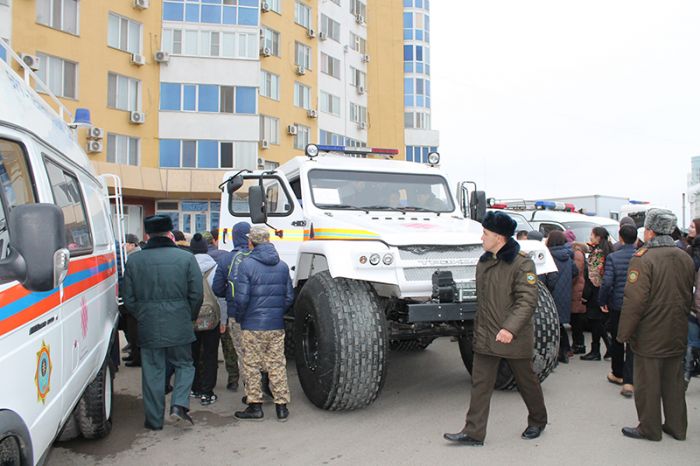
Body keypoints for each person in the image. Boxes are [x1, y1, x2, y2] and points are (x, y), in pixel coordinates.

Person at [444, 211, 547, 446]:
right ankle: (473, 432)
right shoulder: (484, 262)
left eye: (485, 233)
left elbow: (527, 300)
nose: (482, 238)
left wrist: (509, 329)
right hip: (486, 335)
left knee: (526, 381)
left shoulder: (522, 263)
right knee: (480, 383)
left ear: (499, 237)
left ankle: (538, 421)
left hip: (512, 336)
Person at [617, 209, 695, 441]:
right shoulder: (685, 257)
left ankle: (649, 428)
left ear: (650, 231)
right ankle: (677, 427)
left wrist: (623, 334)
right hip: (678, 329)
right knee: (673, 383)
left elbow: (634, 302)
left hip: (650, 333)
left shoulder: (643, 259)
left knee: (648, 383)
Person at [122, 215, 204, 430]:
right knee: (185, 365)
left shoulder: (134, 260)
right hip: (179, 321)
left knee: (152, 371)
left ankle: (154, 420)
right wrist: (189, 316)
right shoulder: (186, 258)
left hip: (148, 324)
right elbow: (197, 294)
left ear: (147, 235)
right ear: (170, 233)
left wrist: (143, 314)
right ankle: (178, 405)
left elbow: (128, 298)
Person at [233, 226, 295, 422]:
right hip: (276, 324)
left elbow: (241, 299)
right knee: (277, 363)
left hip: (253, 324)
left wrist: (242, 317)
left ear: (251, 242)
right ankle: (282, 407)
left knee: (251, 365)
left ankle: (255, 406)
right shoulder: (283, 265)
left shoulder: (246, 265)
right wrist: (276, 312)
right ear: (268, 241)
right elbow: (288, 297)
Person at [599, 224, 638, 397]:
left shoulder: (614, 257)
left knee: (617, 339)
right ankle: (630, 379)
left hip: (617, 305)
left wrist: (602, 300)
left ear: (621, 238)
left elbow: (607, 282)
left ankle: (618, 373)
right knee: (633, 341)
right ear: (636, 238)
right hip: (637, 305)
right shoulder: (641, 256)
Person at [213, 222, 251, 392]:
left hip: (235, 313)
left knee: (241, 352)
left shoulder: (226, 259)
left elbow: (217, 289)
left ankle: (250, 392)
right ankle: (265, 388)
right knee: (260, 352)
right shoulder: (259, 257)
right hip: (260, 315)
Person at [189, 233, 222, 406]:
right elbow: (220, 294)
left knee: (193, 354)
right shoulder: (215, 267)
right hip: (212, 319)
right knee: (210, 355)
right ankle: (207, 392)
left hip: (191, 318)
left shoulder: (185, 266)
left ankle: (194, 388)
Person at [541, 231, 577, 363]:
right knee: (559, 323)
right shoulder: (568, 256)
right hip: (565, 293)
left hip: (552, 294)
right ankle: (565, 350)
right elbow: (575, 271)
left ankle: (559, 353)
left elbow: (550, 279)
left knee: (553, 325)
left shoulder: (548, 256)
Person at [581, 226, 612, 361]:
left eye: (592, 235)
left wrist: (585, 295)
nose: (590, 237)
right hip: (605, 291)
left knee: (596, 322)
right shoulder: (608, 249)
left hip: (596, 292)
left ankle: (596, 351)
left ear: (598, 237)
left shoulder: (597, 253)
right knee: (600, 322)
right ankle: (608, 347)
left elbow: (592, 277)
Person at [122, 233, 143, 368]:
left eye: (126, 244)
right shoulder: (134, 256)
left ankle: (137, 358)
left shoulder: (134, 258)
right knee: (132, 331)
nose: (124, 247)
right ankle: (134, 355)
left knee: (135, 333)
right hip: (137, 301)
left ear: (132, 245)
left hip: (135, 301)